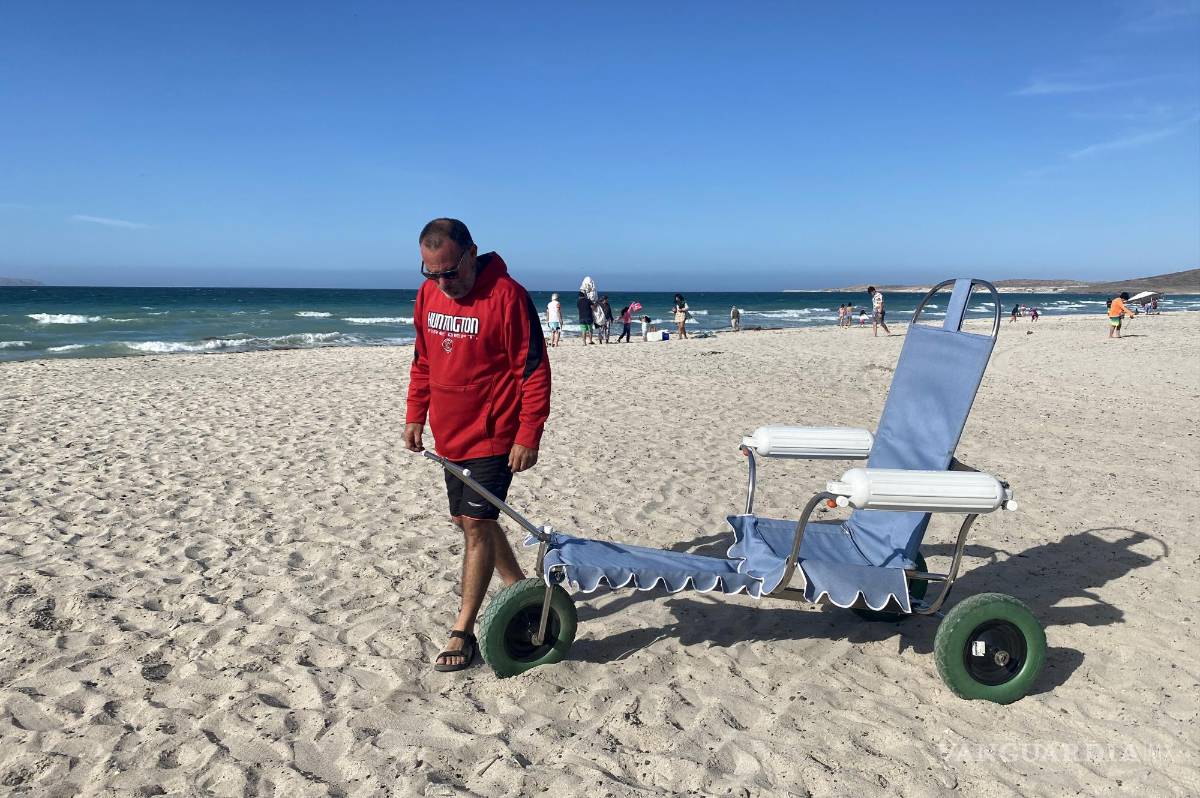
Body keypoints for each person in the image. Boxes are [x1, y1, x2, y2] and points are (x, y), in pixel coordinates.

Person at [403, 218, 550, 672]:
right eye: (432, 273)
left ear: (471, 254)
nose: (443, 282)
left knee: (476, 522)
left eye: (450, 271)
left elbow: (534, 370)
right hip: (450, 433)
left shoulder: (507, 297)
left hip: (494, 433)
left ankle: (462, 630)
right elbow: (423, 359)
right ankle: (520, 589)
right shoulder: (429, 295)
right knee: (468, 521)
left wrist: (528, 434)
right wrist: (415, 413)